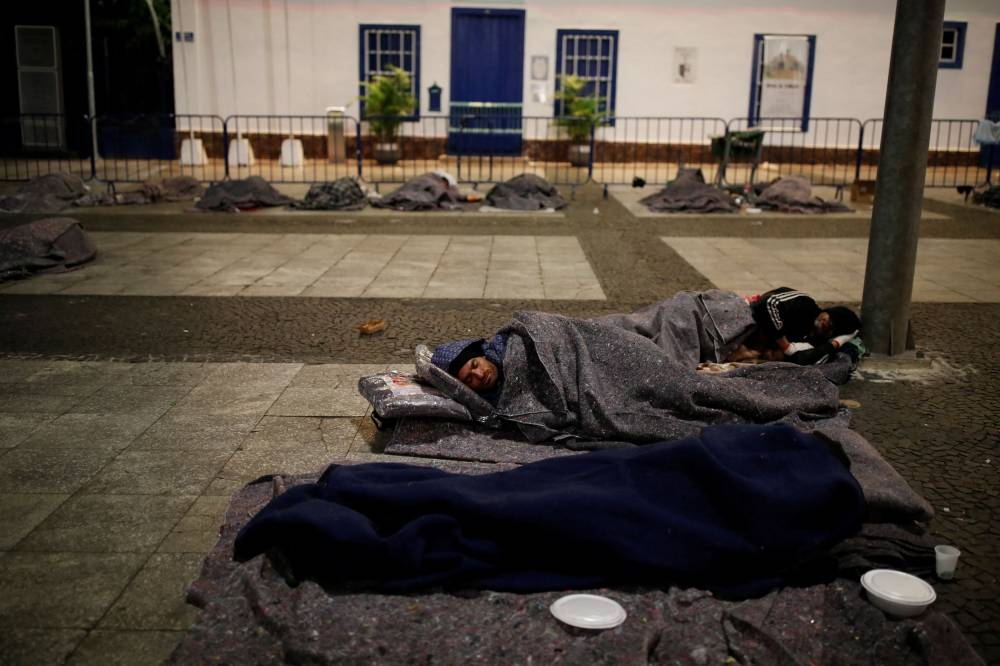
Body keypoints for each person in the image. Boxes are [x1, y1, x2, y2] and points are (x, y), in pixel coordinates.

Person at [726, 287, 861, 366]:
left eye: (832, 326)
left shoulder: (811, 342)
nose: (827, 322)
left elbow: (802, 359)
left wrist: (837, 343)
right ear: (827, 311)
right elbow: (768, 303)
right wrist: (784, 344)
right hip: (733, 320)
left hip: (739, 347)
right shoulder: (805, 305)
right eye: (830, 317)